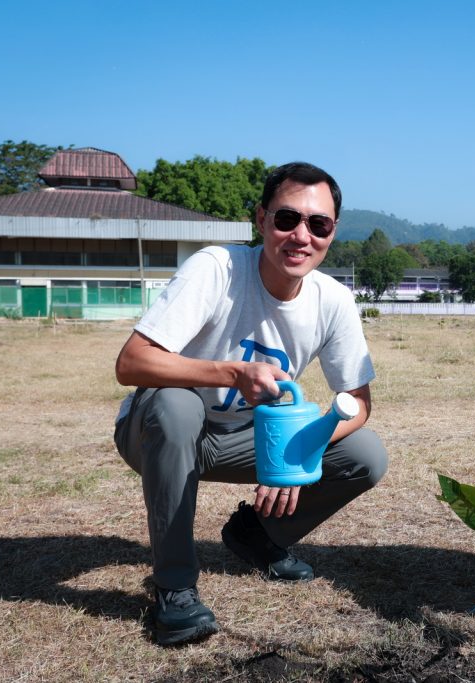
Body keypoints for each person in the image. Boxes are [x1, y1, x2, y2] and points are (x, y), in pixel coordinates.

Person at [113, 162, 388, 646]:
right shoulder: (217, 268)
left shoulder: (333, 300)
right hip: (158, 432)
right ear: (261, 219)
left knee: (364, 454)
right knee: (177, 406)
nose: (301, 236)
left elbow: (356, 403)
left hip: (244, 439)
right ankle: (174, 587)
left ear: (332, 232)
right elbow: (131, 362)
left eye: (318, 224)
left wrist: (295, 454)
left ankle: (257, 534)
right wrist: (232, 373)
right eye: (287, 219)